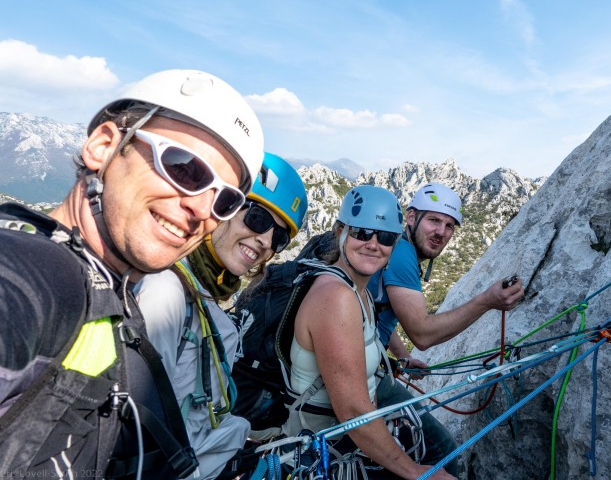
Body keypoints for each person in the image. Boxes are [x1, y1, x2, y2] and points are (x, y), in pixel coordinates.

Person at [0, 69, 264, 479]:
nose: (199, 208)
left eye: (224, 201)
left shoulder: (116, 300)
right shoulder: (44, 274)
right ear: (104, 146)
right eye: (183, 167)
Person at [135, 152, 308, 479]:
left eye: (280, 237)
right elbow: (137, 425)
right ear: (223, 204)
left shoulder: (209, 306)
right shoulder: (165, 293)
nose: (266, 240)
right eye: (258, 218)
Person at [285, 185, 455, 480]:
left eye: (385, 236)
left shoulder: (359, 290)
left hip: (339, 441)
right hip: (324, 450)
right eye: (362, 232)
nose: (373, 244)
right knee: (441, 460)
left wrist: (399, 358)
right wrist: (413, 471)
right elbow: (351, 409)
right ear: (340, 231)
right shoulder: (335, 296)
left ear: (396, 243)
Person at [367, 182, 525, 477]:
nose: (442, 232)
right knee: (441, 453)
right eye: (434, 220)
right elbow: (423, 334)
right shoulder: (401, 254)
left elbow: (378, 312)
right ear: (411, 217)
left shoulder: (399, 247)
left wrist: (401, 356)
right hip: (363, 375)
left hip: (367, 357)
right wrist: (487, 301)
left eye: (450, 225)